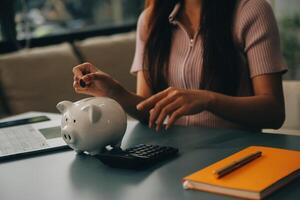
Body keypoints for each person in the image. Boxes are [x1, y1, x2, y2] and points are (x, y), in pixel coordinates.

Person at [72, 0, 287, 131]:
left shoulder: (252, 11)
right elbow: (149, 112)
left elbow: (273, 112)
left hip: (236, 154)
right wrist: (113, 91)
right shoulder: (150, 20)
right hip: (172, 151)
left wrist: (209, 100)